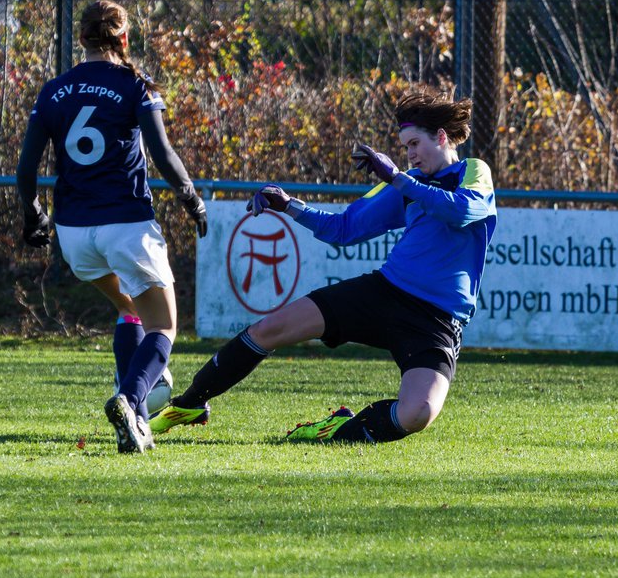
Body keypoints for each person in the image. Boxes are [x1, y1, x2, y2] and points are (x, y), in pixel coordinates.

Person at [150, 87, 497, 444]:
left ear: (441, 137)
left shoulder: (473, 172)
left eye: (414, 144)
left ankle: (337, 428)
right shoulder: (409, 184)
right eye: (404, 147)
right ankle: (189, 404)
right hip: (385, 293)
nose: (409, 155)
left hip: (436, 319)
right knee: (270, 328)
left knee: (417, 413)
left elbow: (460, 211)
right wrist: (288, 205)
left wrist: (397, 178)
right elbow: (342, 229)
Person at [15, 0, 208, 454]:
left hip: (75, 233)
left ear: (81, 39)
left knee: (130, 307)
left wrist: (33, 214)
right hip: (125, 223)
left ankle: (135, 417)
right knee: (164, 326)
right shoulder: (134, 85)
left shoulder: (54, 90)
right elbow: (162, 154)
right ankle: (131, 398)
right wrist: (192, 200)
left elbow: (26, 168)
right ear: (123, 39)